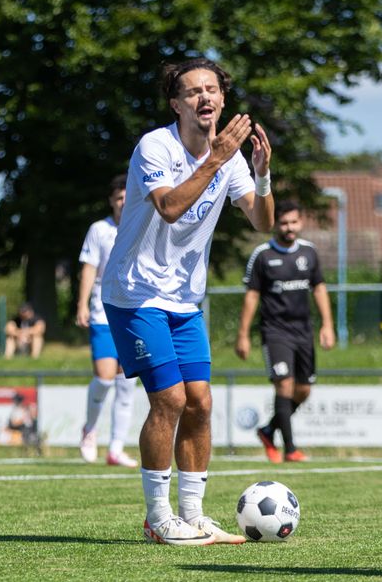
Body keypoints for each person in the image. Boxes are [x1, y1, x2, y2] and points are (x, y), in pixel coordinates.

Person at [100, 58, 274, 546]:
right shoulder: (156, 146)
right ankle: (158, 518)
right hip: (135, 293)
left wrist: (260, 176)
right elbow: (172, 208)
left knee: (199, 403)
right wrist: (217, 158)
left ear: (222, 99)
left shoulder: (232, 158)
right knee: (170, 399)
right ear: (176, 104)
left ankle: (193, 514)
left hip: (184, 299)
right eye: (193, 91)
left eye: (212, 90)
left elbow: (262, 223)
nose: (205, 98)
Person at [235, 200, 335, 463]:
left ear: (300, 222)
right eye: (284, 223)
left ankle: (268, 430)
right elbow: (251, 297)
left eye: (293, 222)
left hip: (304, 332)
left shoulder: (309, 252)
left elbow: (320, 289)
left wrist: (327, 325)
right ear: (275, 224)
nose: (289, 228)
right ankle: (290, 449)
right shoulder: (262, 255)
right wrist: (243, 335)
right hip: (275, 332)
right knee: (285, 384)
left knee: (303, 390)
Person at [76, 174, 138, 468]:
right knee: (104, 378)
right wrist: (82, 303)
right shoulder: (99, 230)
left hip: (136, 313)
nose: (124, 203)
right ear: (112, 202)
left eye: (128, 196)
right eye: (119, 198)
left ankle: (116, 447)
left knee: (127, 381)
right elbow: (89, 268)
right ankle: (89, 430)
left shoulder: (143, 225)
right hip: (103, 311)